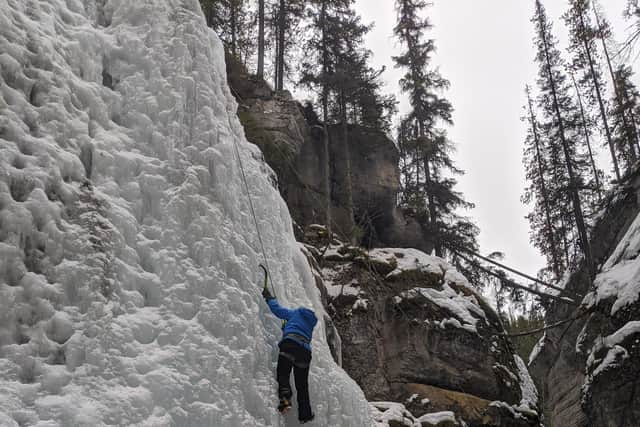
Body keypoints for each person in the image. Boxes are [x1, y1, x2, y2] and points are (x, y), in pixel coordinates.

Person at [262, 286, 317, 424]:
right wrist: (287, 328)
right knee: (302, 385)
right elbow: (299, 330)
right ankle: (305, 414)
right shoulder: (310, 324)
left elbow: (278, 310)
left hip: (290, 344)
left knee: (283, 373)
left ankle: (285, 400)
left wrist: (270, 298)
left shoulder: (295, 313)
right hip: (305, 352)